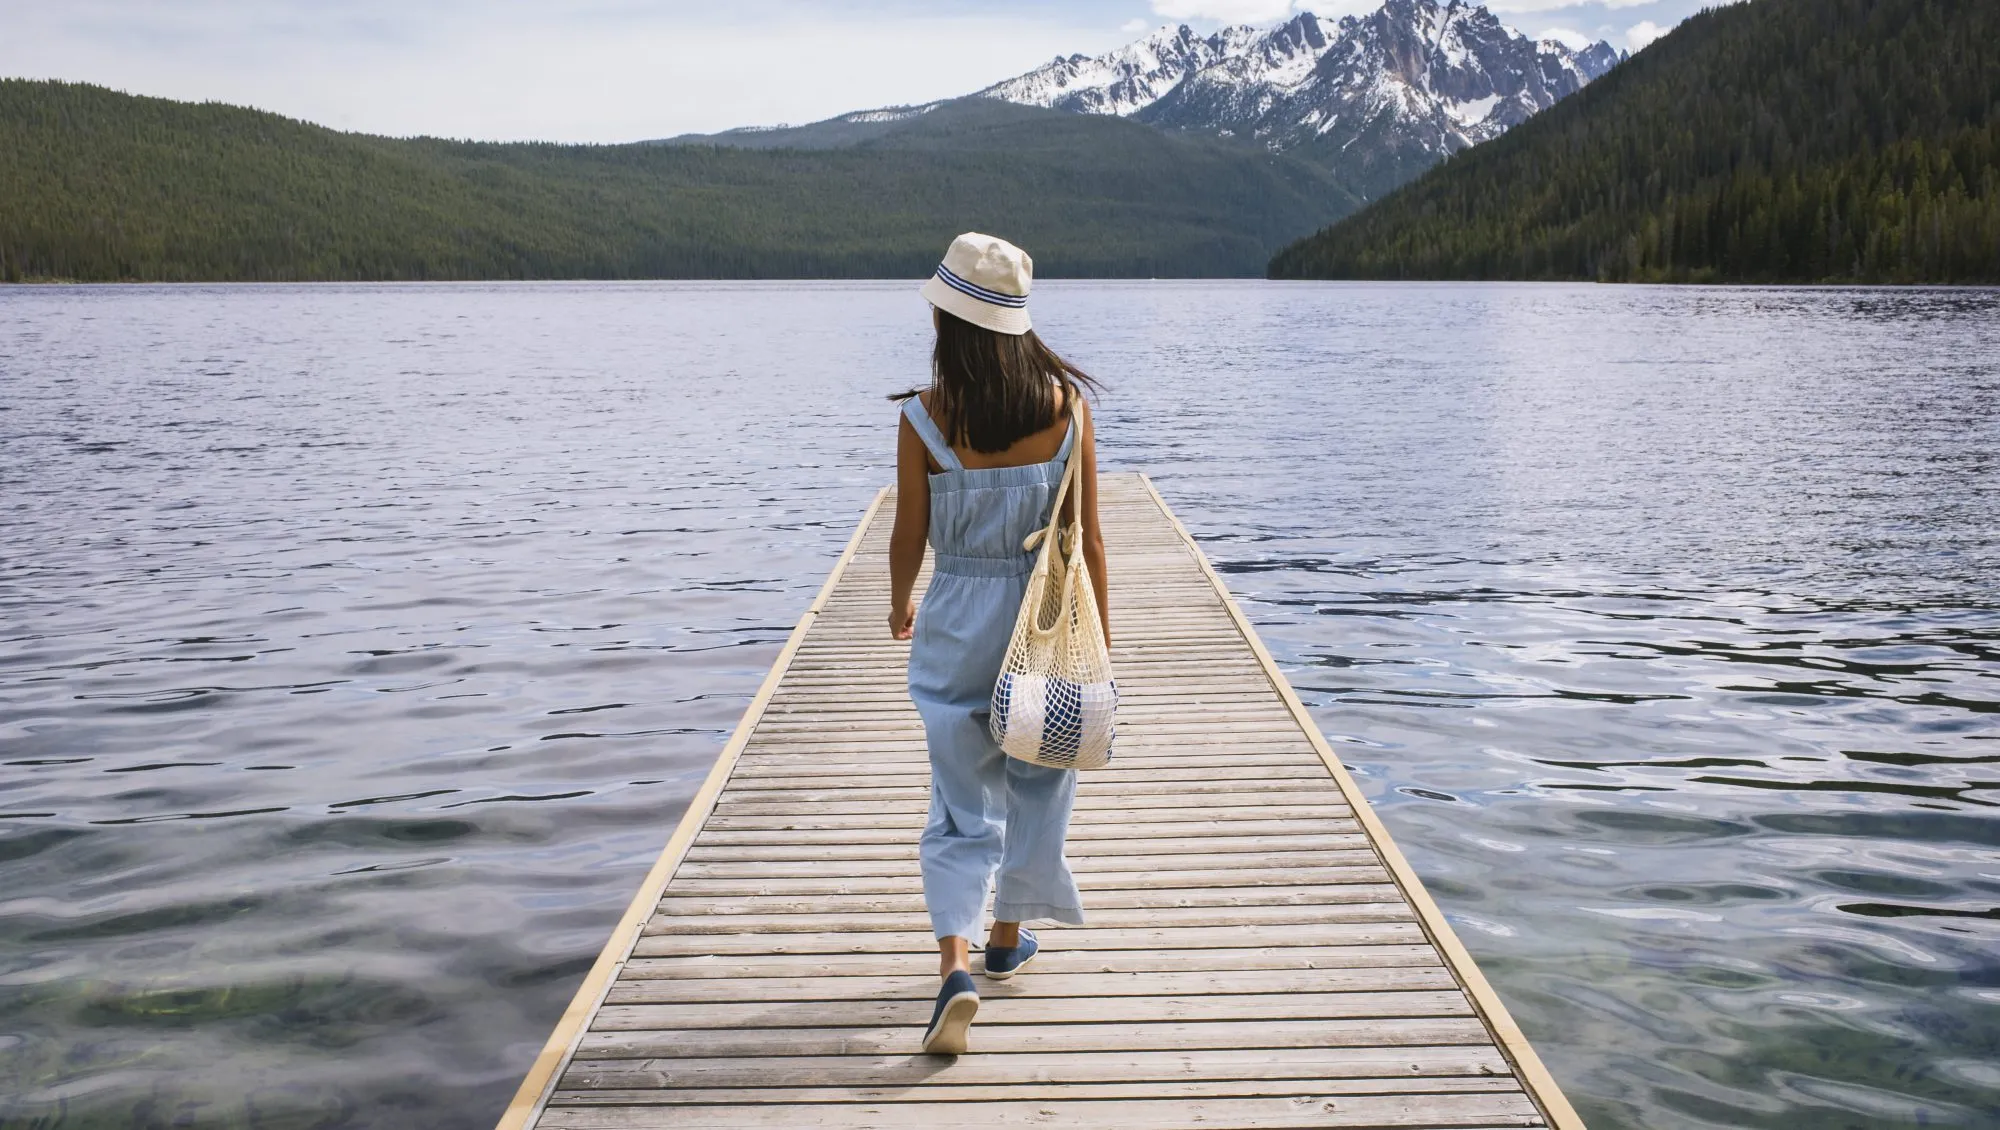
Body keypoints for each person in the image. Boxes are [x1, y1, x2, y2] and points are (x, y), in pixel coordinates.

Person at [888, 232, 1108, 1056]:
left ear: (950, 321)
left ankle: (955, 964)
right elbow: (1088, 540)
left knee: (956, 803)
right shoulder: (1067, 410)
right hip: (1044, 620)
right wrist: (1104, 644)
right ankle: (1007, 937)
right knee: (1039, 783)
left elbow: (909, 533)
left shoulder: (924, 415)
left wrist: (898, 602)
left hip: (956, 617)